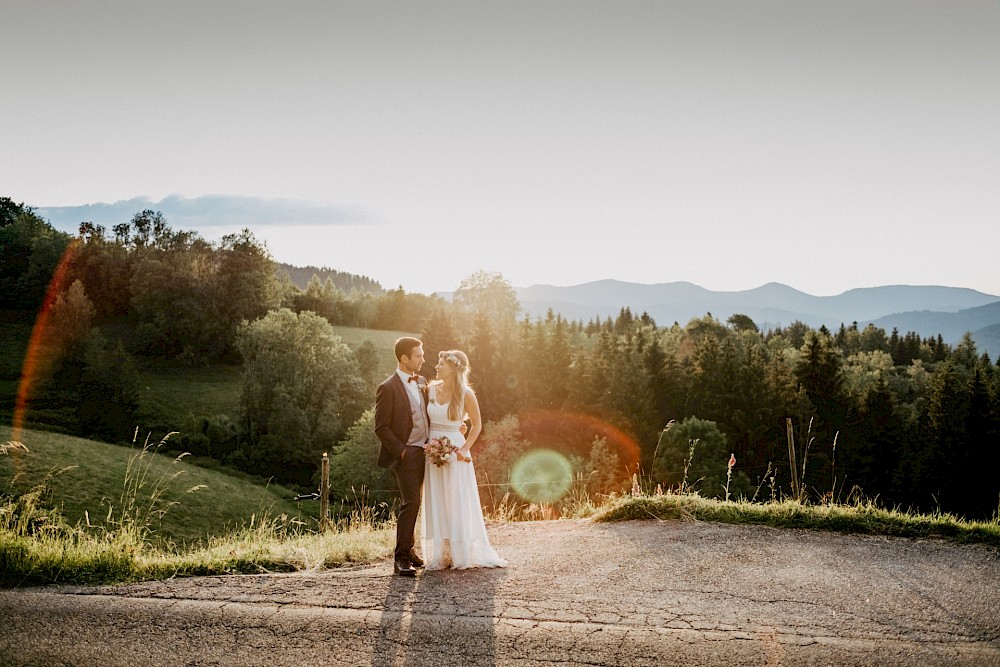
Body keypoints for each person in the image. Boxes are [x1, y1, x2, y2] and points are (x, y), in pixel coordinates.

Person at [422, 350, 507, 570]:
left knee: (456, 498)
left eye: (441, 363)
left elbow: (477, 424)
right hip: (432, 449)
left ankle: (461, 554)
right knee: (437, 497)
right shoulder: (429, 390)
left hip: (457, 452)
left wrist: (464, 448)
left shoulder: (466, 394)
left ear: (454, 368)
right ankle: (443, 555)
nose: (437, 366)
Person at [374, 337, 429, 576]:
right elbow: (381, 427)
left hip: (428, 452)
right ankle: (401, 559)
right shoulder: (387, 387)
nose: (423, 359)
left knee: (421, 502)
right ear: (404, 358)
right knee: (411, 502)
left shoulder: (423, 382)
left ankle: (411, 550)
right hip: (407, 455)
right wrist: (403, 451)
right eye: (418, 355)